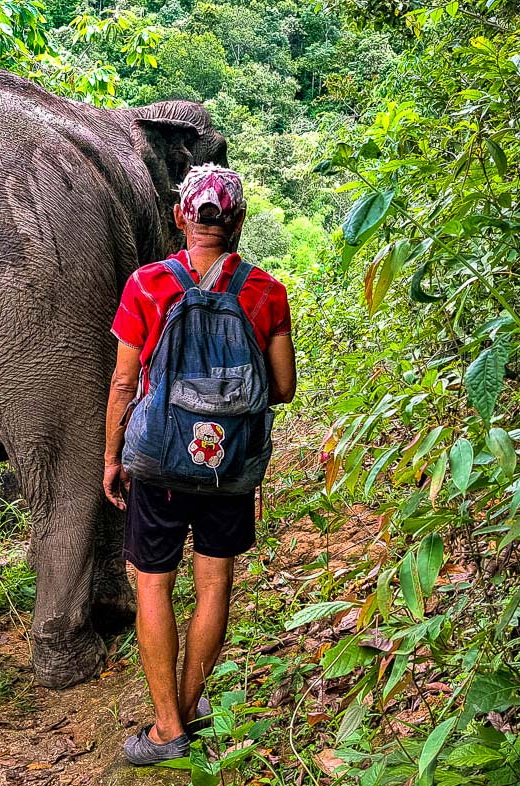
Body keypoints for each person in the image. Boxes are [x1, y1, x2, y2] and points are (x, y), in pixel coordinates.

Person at [102, 164, 297, 765]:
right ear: (236, 220)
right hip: (229, 467)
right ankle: (187, 710)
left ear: (182, 214)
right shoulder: (264, 291)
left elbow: (123, 381)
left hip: (159, 463)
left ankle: (167, 728)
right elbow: (284, 387)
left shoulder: (147, 284)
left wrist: (111, 457)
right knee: (214, 585)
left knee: (154, 585)